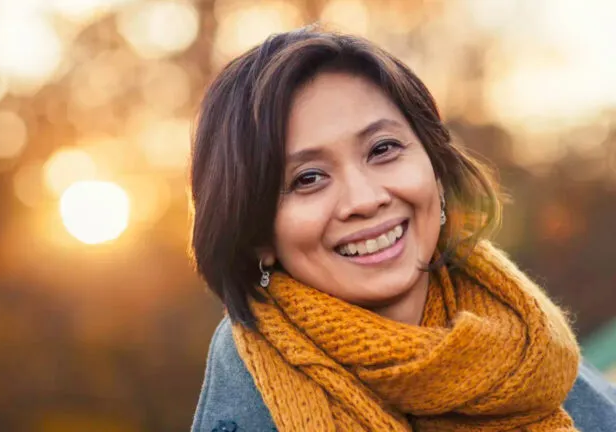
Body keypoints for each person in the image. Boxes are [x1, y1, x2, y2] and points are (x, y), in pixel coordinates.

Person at [189, 27, 616, 431]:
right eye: (308, 178)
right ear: (256, 236)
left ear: (434, 164)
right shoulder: (252, 401)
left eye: (383, 149)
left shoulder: (529, 344)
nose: (365, 199)